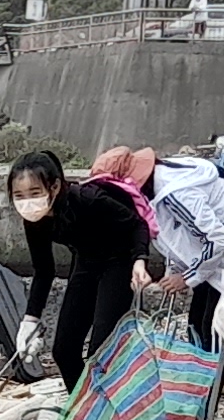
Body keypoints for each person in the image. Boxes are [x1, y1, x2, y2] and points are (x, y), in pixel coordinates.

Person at [8, 150, 149, 390]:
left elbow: (137, 225)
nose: (27, 202)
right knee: (64, 351)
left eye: (35, 193)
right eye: (19, 196)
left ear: (54, 187)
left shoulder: (87, 199)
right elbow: (44, 270)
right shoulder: (35, 222)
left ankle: (109, 405)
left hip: (119, 261)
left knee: (101, 351)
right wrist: (30, 319)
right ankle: (83, 403)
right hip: (86, 262)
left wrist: (140, 260)